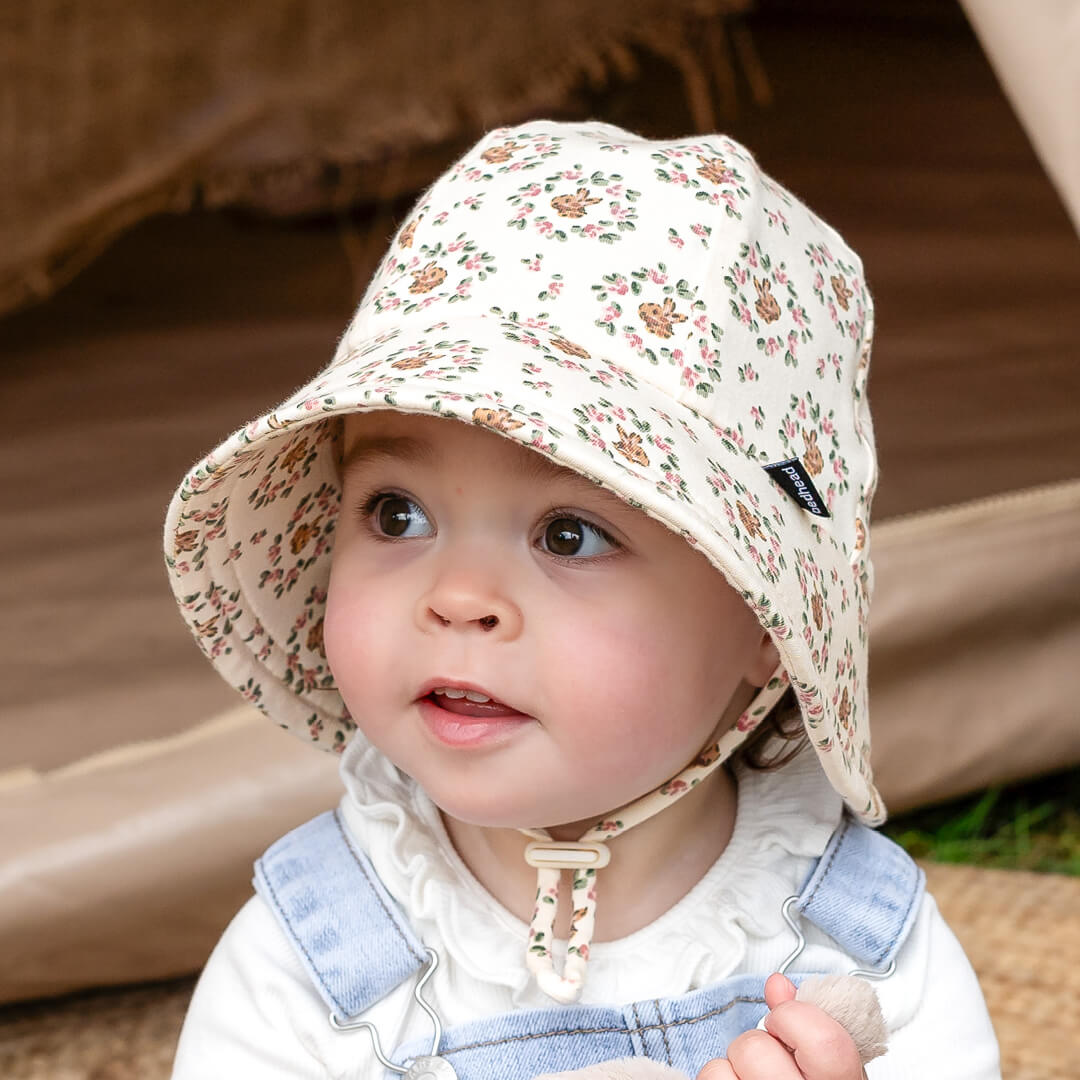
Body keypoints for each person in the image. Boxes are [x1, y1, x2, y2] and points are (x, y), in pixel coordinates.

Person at [164, 120, 1001, 1079]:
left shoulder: (857, 953)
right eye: (398, 515)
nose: (459, 598)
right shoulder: (311, 969)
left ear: (766, 622)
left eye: (569, 535)